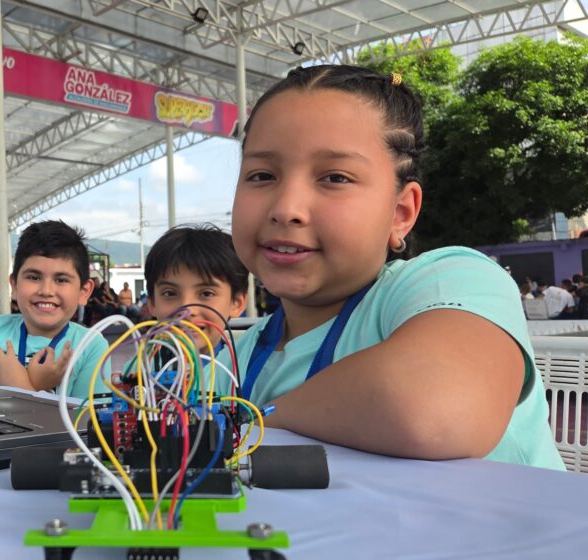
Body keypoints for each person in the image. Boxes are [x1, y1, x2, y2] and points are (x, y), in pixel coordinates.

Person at [220, 64, 561, 469]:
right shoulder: (231, 360)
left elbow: (437, 406)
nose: (286, 208)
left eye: (335, 177)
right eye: (262, 175)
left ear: (400, 213)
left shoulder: (451, 282)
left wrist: (252, 424)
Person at [0, 220, 110, 399]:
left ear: (84, 291)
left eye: (61, 280)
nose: (46, 291)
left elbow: (86, 417)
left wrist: (19, 386)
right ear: (14, 286)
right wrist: (35, 386)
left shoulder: (90, 346)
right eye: (34, 277)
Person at [142, 224, 248, 361]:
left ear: (236, 303)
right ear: (152, 303)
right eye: (170, 293)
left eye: (206, 294)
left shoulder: (250, 369)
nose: (187, 310)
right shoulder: (137, 369)